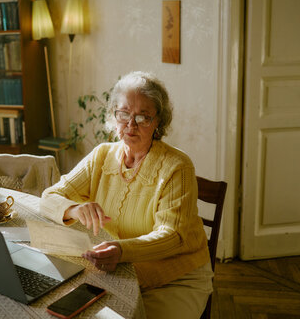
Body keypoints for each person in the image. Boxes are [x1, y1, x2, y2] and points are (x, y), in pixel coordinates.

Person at [40, 71, 213, 318]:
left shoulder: (177, 167)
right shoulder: (102, 155)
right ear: (114, 116)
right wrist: (74, 209)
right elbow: (49, 196)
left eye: (143, 117)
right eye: (124, 114)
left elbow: (172, 236)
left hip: (175, 277)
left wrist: (121, 251)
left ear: (157, 122)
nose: (131, 125)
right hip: (116, 271)